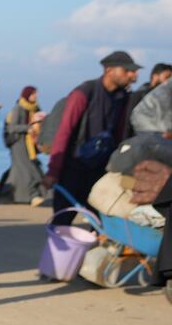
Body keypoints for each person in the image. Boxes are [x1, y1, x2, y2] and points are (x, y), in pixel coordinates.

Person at [46, 51, 140, 218]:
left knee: (102, 220)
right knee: (62, 221)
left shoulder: (121, 97)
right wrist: (53, 171)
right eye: (126, 70)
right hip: (73, 169)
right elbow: (64, 132)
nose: (132, 75)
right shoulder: (84, 93)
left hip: (100, 171)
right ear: (109, 70)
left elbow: (120, 136)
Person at [3, 86, 47, 206]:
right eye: (33, 94)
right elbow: (11, 128)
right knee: (28, 170)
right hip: (19, 143)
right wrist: (28, 128)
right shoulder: (19, 108)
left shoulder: (35, 108)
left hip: (30, 145)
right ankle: (33, 196)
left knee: (17, 172)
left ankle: (8, 194)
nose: (35, 96)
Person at [127, 63, 172, 137]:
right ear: (155, 76)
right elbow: (128, 121)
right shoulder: (139, 95)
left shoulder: (166, 97)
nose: (168, 82)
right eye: (167, 77)